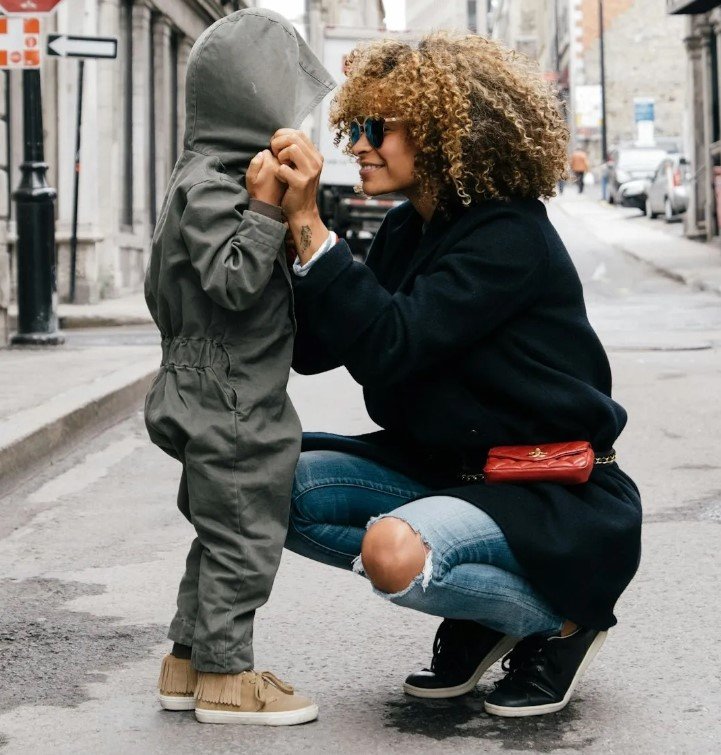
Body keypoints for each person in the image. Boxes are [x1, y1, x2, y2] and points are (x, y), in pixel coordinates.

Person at [272, 32, 641, 718]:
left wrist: (313, 229)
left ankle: (555, 620)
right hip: (444, 471)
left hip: (547, 491)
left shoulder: (507, 235)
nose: (356, 144)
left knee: (393, 553)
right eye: (352, 126)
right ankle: (485, 612)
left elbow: (390, 344)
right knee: (267, 489)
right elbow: (317, 347)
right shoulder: (406, 231)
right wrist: (282, 226)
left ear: (442, 130)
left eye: (374, 127)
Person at [143, 8, 334, 726]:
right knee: (247, 537)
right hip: (230, 394)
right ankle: (228, 676)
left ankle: (187, 660)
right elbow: (230, 281)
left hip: (206, 383)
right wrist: (264, 211)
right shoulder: (220, 184)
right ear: (252, 99)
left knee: (217, 532)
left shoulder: (199, 174)